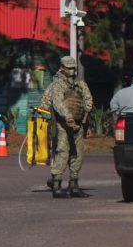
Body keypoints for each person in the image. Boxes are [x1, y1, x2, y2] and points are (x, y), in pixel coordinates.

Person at [40, 56, 93, 198]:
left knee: (78, 154)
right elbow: (58, 103)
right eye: (68, 67)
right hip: (61, 124)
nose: (71, 70)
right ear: (62, 67)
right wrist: (68, 117)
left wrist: (84, 115)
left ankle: (74, 184)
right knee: (62, 151)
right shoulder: (57, 85)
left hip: (78, 124)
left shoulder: (80, 84)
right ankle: (56, 185)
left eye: (73, 68)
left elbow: (88, 99)